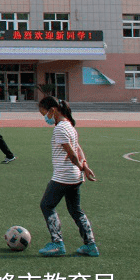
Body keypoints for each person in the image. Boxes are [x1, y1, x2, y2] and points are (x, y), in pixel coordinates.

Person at [36, 96, 98, 257]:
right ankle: (90, 245)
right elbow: (78, 148)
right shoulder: (69, 126)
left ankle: (57, 243)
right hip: (74, 176)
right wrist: (84, 167)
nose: (45, 118)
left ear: (53, 110)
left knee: (47, 205)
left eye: (44, 114)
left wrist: (82, 167)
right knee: (75, 210)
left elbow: (71, 153)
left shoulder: (60, 128)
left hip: (64, 176)